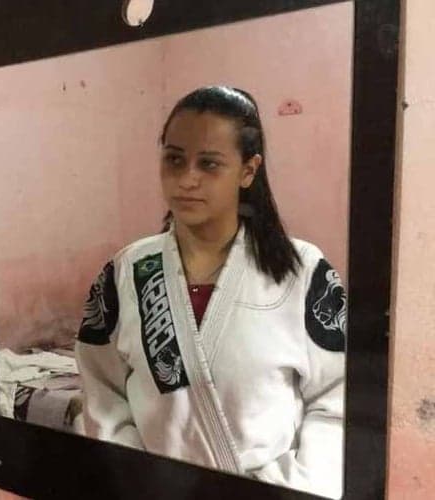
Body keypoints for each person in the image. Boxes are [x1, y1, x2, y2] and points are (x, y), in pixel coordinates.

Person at [75, 86, 346, 499]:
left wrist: (288, 488)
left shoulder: (303, 273)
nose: (187, 179)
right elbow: (101, 391)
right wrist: (138, 476)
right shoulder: (128, 271)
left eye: (209, 163)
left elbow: (337, 399)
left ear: (248, 170)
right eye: (174, 159)